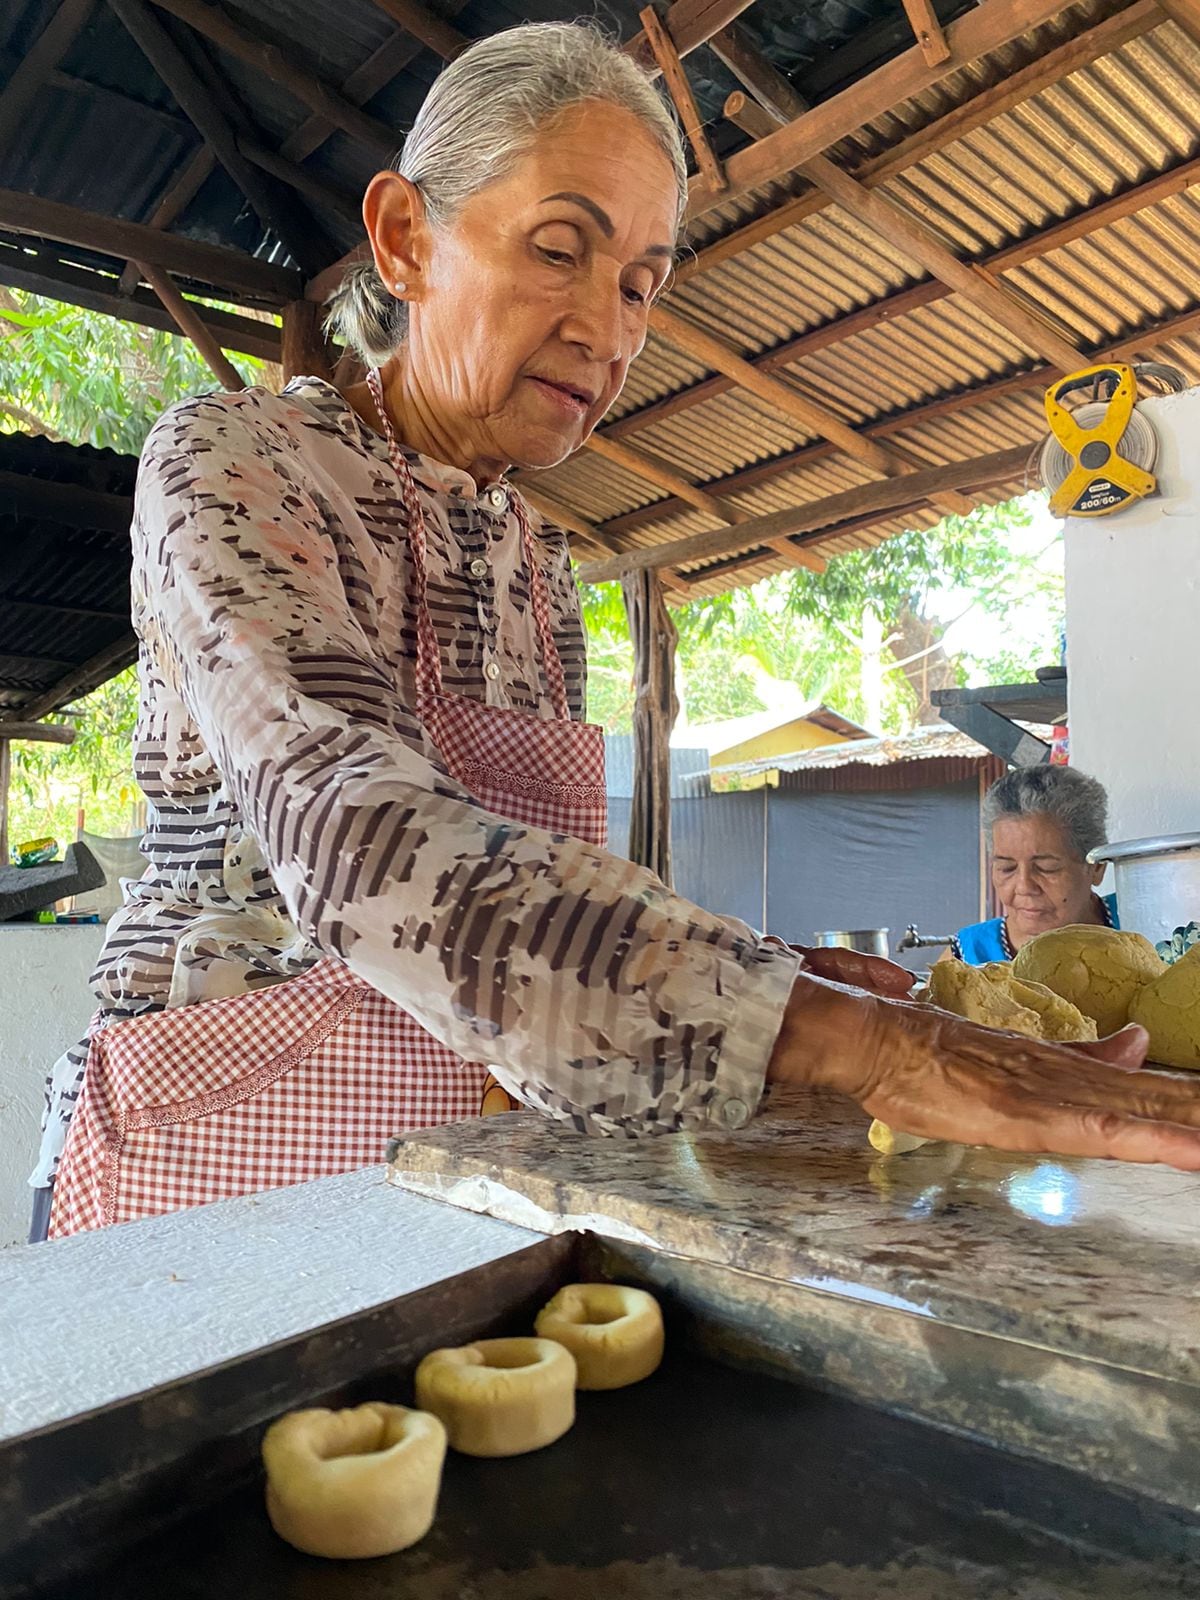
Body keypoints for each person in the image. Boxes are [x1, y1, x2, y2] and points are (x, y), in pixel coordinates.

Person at [32, 25, 1200, 1242]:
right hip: (218, 1156)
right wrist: (865, 1047)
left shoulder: (537, 561)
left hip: (464, 1163)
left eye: (641, 281)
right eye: (558, 250)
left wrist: (758, 966)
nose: (610, 327)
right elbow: (355, 837)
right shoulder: (238, 458)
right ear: (403, 239)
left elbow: (540, 892)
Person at [951, 767, 1117, 964]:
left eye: (1046, 868)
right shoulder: (967, 958)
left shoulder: (1148, 927)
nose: (1024, 887)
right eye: (1007, 868)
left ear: (1097, 867)